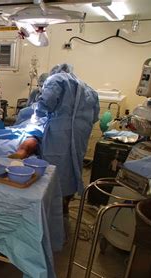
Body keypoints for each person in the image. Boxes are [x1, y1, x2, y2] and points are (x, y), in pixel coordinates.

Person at [32, 63, 100, 229]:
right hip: (80, 133)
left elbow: (45, 103)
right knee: (73, 167)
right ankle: (64, 207)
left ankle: (54, 210)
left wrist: (37, 115)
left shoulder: (56, 79)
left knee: (56, 169)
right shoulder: (88, 88)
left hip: (60, 133)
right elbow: (95, 116)